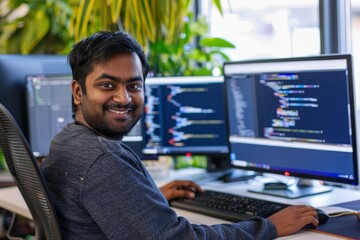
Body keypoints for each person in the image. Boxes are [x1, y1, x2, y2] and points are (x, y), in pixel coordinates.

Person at [41, 31, 319, 239]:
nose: (123, 98)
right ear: (78, 92)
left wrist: (147, 197)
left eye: (134, 85)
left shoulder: (67, 141)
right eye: (107, 85)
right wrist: (269, 226)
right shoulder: (103, 159)